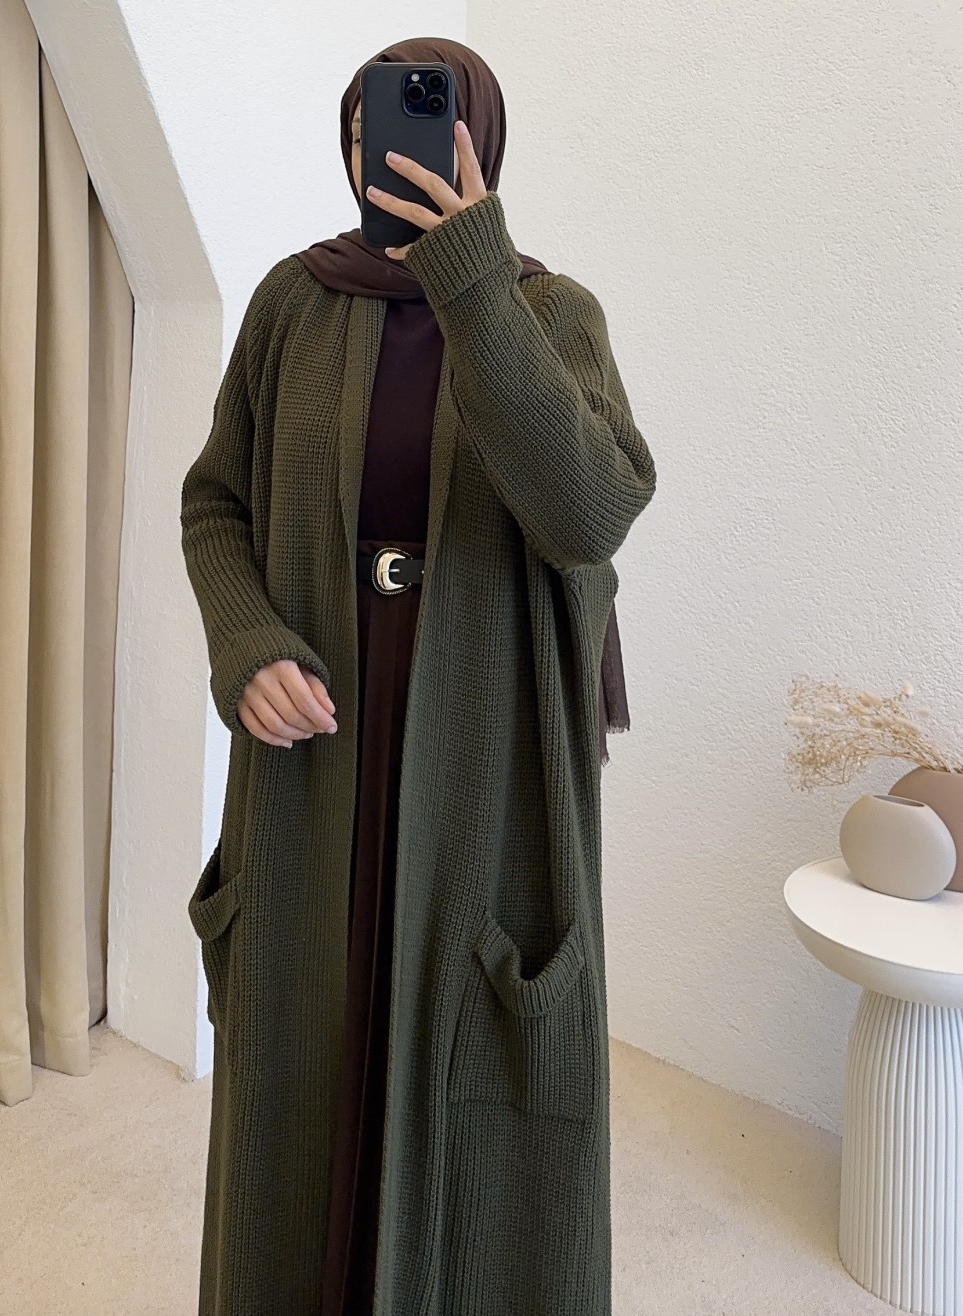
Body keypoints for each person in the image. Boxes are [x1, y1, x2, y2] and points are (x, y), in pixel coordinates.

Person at [180, 34, 657, 1316]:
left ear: (476, 143)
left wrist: (471, 277)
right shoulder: (290, 304)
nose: (373, 152)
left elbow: (588, 512)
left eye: (410, 123)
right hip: (316, 740)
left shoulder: (549, 312)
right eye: (360, 128)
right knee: (305, 1068)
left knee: (468, 1077)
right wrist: (246, 642)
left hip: (479, 750)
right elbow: (215, 502)